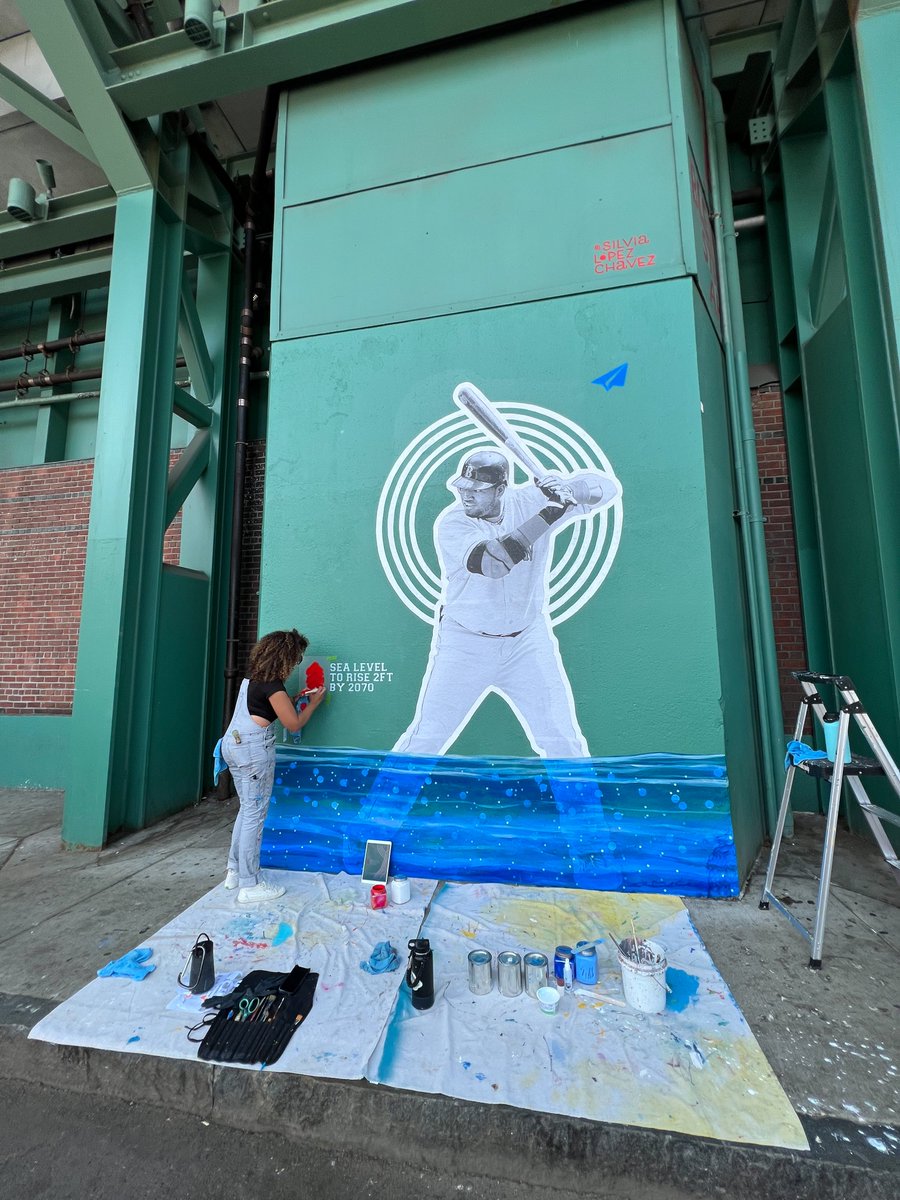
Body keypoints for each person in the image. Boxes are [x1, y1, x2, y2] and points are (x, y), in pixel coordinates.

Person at [393, 449, 621, 758]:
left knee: (563, 740)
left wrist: (571, 489)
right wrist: (551, 512)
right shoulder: (452, 523)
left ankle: (585, 809)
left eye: (476, 489)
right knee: (427, 737)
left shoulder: (532, 500)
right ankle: (380, 809)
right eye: (464, 487)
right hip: (466, 644)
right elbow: (495, 563)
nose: (466, 494)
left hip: (527, 642)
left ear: (501, 489)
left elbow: (607, 489)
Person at [219, 629, 326, 903]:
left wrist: (294, 700)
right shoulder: (274, 686)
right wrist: (314, 704)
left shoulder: (252, 681)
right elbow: (294, 724)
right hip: (253, 753)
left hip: (233, 746)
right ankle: (250, 884)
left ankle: (234, 871)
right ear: (286, 658)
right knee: (255, 815)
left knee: (246, 811)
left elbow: (265, 710)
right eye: (297, 659)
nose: (297, 665)